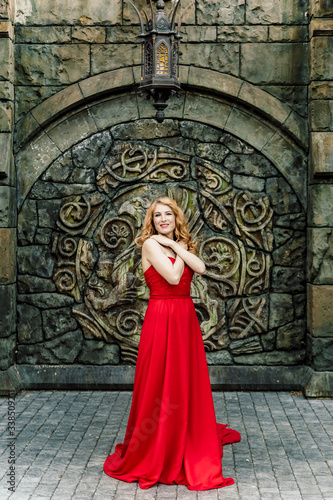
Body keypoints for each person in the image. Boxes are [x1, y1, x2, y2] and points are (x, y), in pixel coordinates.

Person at [103, 196, 241, 491]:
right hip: (162, 315)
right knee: (159, 381)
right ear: (151, 222)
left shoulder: (179, 244)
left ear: (176, 218)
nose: (163, 220)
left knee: (183, 380)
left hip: (184, 317)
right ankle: (159, 443)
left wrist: (179, 246)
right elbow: (175, 275)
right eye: (157, 216)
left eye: (168, 214)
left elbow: (201, 268)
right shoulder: (150, 244)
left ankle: (182, 435)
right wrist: (180, 248)